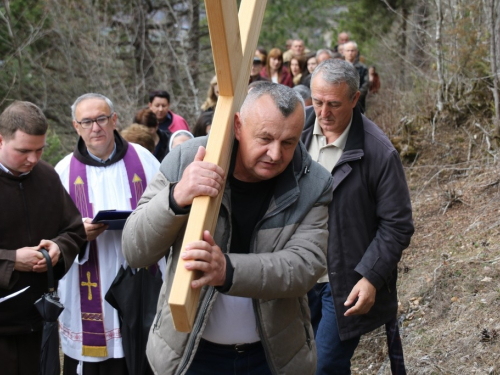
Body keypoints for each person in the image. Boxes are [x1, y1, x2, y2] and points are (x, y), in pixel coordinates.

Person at [122, 82, 334, 375]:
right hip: (191, 355)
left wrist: (227, 271)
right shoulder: (187, 159)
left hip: (272, 358)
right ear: (237, 125)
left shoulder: (313, 183)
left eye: (289, 142)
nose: (275, 154)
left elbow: (304, 267)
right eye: (265, 138)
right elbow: (134, 250)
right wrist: (176, 197)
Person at [302, 59, 414, 374]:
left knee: (324, 366)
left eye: (334, 104)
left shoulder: (379, 152)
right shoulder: (295, 130)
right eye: (317, 101)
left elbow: (397, 225)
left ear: (355, 98)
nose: (323, 113)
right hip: (295, 274)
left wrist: (370, 277)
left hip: (343, 283)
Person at [55, 93, 164, 375]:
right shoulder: (63, 172)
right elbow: (52, 234)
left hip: (141, 278)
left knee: (141, 357)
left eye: (102, 119)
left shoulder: (144, 160)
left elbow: (167, 209)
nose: (96, 127)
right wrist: (79, 234)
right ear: (75, 126)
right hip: (90, 278)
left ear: (114, 120)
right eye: (87, 121)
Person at [0, 101, 86, 375]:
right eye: (23, 151)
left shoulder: (47, 177)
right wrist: (12, 260)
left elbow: (74, 231)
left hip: (37, 327)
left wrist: (59, 248)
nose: (33, 159)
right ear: (0, 140)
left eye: (39, 150)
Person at [343, 41, 369, 113]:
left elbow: (366, 84)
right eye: (348, 51)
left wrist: (356, 97)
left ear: (356, 52)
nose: (350, 53)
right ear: (343, 52)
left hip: (358, 102)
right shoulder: (339, 67)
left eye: (352, 50)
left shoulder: (363, 68)